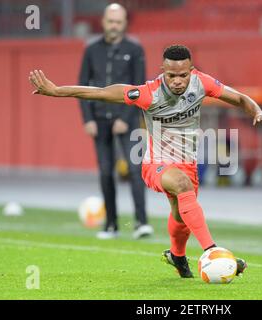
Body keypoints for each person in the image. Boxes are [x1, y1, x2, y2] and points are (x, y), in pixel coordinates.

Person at [28, 45, 262, 278]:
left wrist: (257, 111)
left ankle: (177, 256)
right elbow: (101, 93)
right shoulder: (148, 93)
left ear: (191, 71)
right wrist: (57, 90)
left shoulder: (202, 83)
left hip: (187, 163)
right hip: (156, 164)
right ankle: (212, 251)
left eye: (183, 75)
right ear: (162, 71)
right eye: (171, 75)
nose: (177, 81)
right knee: (181, 185)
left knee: (181, 217)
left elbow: (240, 98)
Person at [78, 3, 152, 240]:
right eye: (111, 21)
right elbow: (82, 86)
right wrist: (87, 119)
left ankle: (141, 222)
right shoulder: (91, 50)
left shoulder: (135, 49)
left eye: (118, 22)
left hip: (127, 119)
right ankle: (111, 224)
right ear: (103, 22)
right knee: (105, 172)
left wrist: (125, 117)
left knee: (135, 169)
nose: (114, 26)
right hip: (99, 120)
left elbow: (140, 87)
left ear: (124, 24)